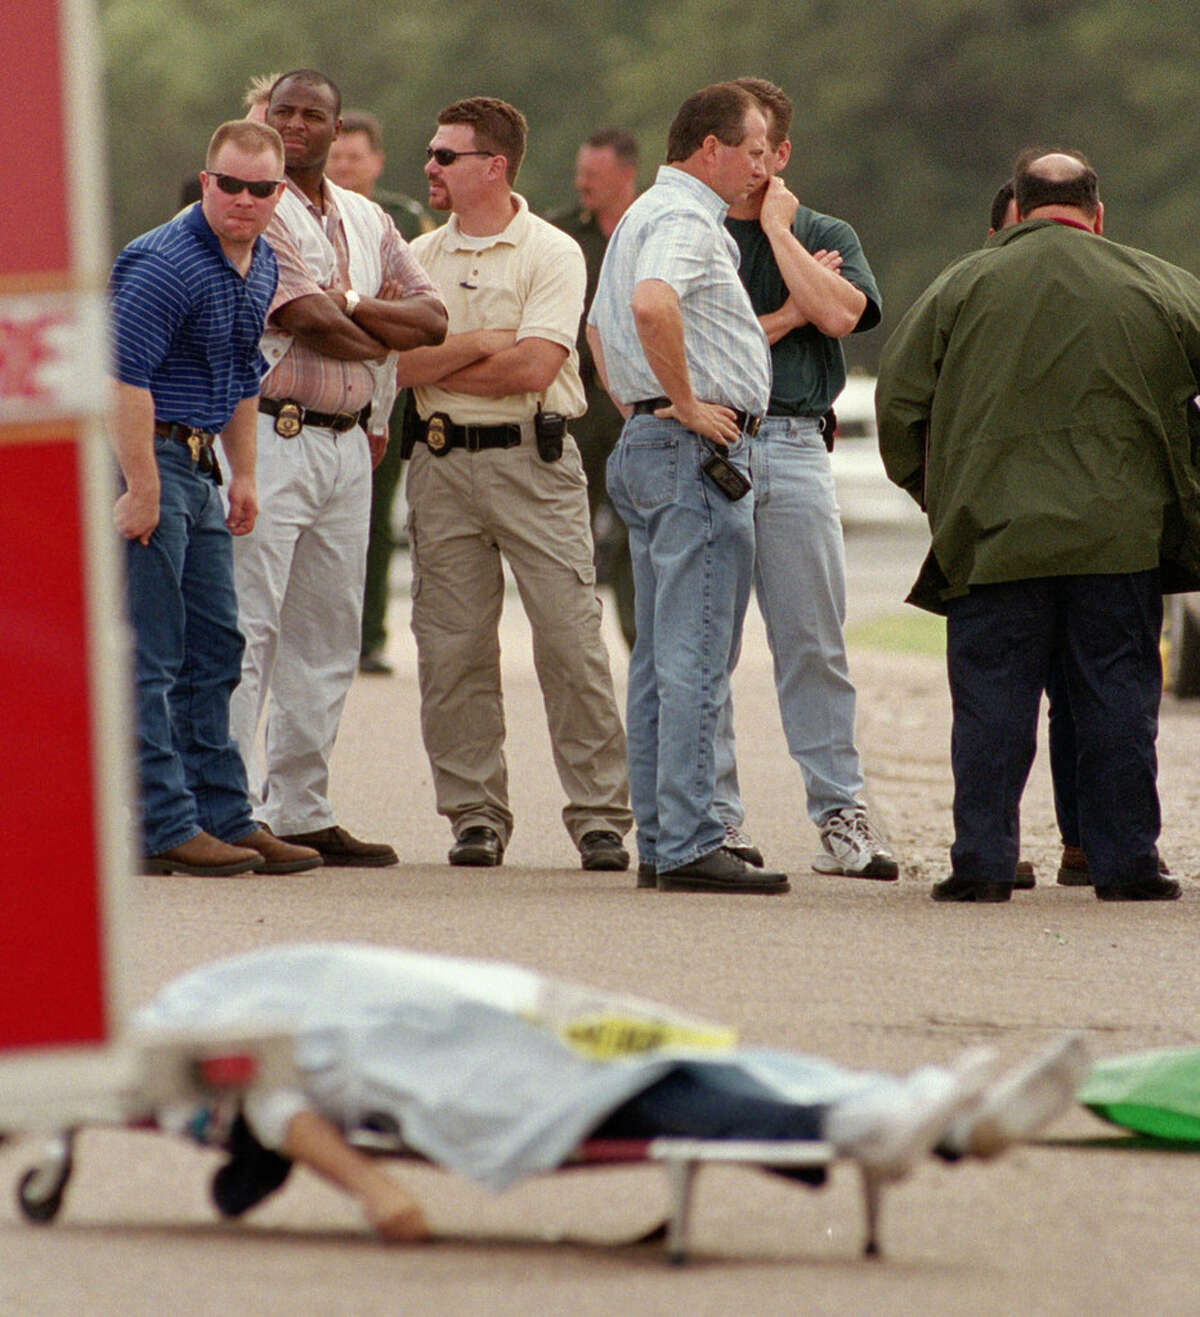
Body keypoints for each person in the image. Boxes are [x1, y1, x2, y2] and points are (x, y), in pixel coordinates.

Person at [133, 942, 1088, 1240]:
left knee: (694, 1062)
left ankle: (947, 1121)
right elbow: (275, 1112)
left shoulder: (204, 1009)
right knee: (655, 1087)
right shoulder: (204, 1058)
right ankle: (888, 1116)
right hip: (465, 1072)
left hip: (494, 1020)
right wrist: (380, 1192)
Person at [876, 149, 1200, 902]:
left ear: (1016, 209)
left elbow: (898, 403)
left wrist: (941, 493)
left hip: (995, 536)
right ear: (1098, 212)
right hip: (1119, 537)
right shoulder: (1157, 283)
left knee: (993, 703)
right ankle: (1126, 864)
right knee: (1118, 698)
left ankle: (983, 862)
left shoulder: (962, 283)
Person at [394, 97, 633, 872]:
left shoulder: (553, 251)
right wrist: (487, 340)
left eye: (445, 155)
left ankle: (600, 813)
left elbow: (538, 365)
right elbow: (393, 368)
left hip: (535, 461)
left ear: (493, 167)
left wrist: (447, 355)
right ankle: (474, 814)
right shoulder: (414, 258)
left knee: (569, 639)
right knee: (453, 649)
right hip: (439, 463)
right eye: (431, 153)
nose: (428, 165)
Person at [227, 69, 448, 869]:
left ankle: (300, 806)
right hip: (272, 431)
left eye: (311, 114)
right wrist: (369, 321)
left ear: (335, 125)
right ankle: (228, 806)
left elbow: (432, 315)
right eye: (282, 110)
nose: (294, 123)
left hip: (351, 440)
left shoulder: (366, 215)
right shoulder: (258, 205)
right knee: (251, 624)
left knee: (327, 632)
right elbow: (302, 317)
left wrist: (353, 307)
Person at [587, 82, 786, 894]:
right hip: (689, 451)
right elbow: (647, 303)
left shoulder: (640, 216)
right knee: (695, 651)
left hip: (652, 441)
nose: (765, 165)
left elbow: (599, 328)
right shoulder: (680, 219)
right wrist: (691, 404)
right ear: (710, 147)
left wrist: (640, 406)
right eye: (755, 148)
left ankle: (667, 838)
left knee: (660, 658)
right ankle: (693, 835)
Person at [108, 119, 321, 878]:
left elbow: (241, 377)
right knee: (154, 652)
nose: (243, 199)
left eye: (260, 189)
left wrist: (248, 476)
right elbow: (122, 378)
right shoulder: (163, 263)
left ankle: (224, 815)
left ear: (279, 194)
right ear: (206, 182)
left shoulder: (261, 264)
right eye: (228, 184)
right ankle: (161, 822)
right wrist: (141, 486)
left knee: (217, 649)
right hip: (151, 459)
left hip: (199, 466)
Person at [711, 78, 896, 882]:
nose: (750, 164)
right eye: (737, 150)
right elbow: (705, 345)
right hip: (715, 444)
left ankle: (840, 813)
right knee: (705, 644)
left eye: (762, 151)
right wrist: (789, 310)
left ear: (781, 155)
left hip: (793, 442)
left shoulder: (824, 229)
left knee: (814, 643)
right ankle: (714, 819)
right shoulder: (698, 232)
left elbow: (845, 315)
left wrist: (784, 237)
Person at [325, 109, 435, 678]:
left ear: (377, 162)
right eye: (336, 155)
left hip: (387, 390)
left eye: (354, 156)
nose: (344, 166)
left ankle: (368, 637)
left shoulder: (401, 219)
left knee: (374, 518)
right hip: (322, 382)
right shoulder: (309, 213)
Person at [547, 129, 640, 650]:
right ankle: (573, 640)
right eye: (580, 172)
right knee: (567, 526)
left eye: (594, 175)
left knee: (634, 522)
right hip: (574, 403)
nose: (582, 183)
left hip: (635, 403)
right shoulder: (559, 234)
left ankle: (637, 635)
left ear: (626, 176)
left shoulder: (653, 229)